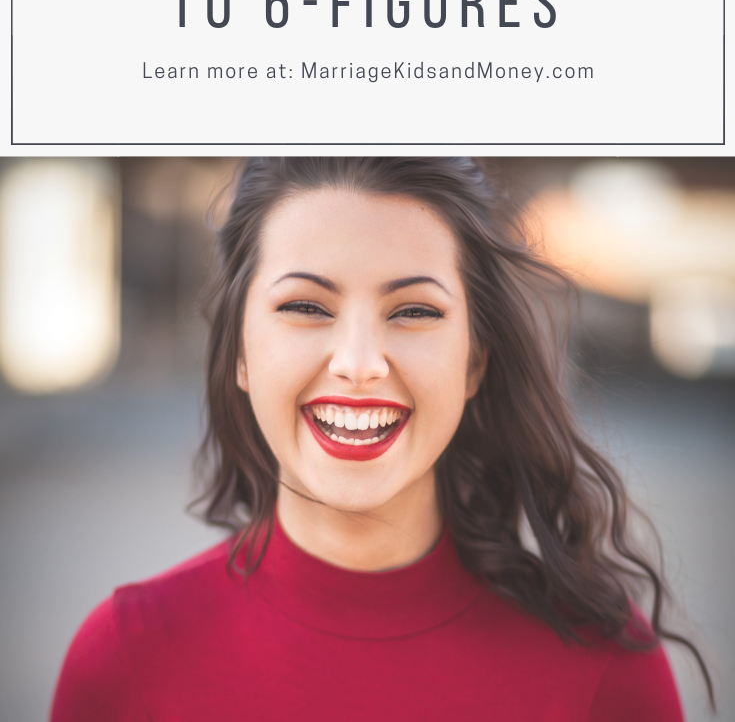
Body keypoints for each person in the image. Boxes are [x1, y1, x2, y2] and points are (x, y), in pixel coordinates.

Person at [50, 157, 712, 721]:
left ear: (475, 360)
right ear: (239, 355)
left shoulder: (602, 667)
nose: (359, 363)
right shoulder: (126, 658)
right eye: (306, 307)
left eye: (414, 311)